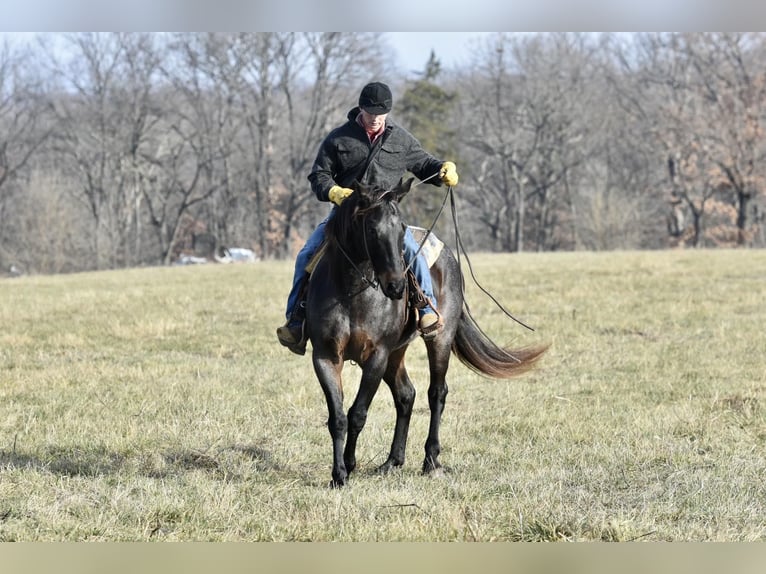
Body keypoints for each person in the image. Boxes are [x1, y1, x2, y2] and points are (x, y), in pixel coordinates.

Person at [276, 81, 459, 354]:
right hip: (346, 217)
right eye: (370, 113)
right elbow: (319, 175)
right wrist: (334, 191)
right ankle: (296, 320)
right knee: (306, 255)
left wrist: (443, 169)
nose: (375, 119)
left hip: (386, 218)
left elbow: (424, 164)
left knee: (411, 249)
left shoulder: (401, 139)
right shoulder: (339, 139)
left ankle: (426, 308)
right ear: (360, 109)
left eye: (380, 114)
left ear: (387, 112)